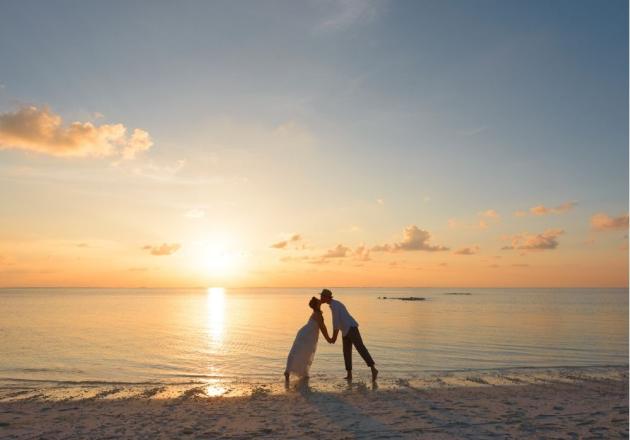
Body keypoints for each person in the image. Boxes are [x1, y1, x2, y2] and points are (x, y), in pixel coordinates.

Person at [320, 288, 378, 381]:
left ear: (326, 297)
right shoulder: (332, 305)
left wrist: (333, 338)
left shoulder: (335, 305)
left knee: (360, 348)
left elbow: (336, 323)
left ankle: (373, 369)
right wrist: (334, 337)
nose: (320, 298)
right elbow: (337, 323)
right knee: (346, 351)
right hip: (345, 330)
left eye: (322, 296)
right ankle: (349, 374)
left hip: (351, 328)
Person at [284, 296, 332, 380]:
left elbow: (322, 327)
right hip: (307, 335)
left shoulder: (317, 312)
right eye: (318, 300)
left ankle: (297, 373)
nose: (320, 300)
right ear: (317, 304)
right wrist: (329, 339)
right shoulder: (318, 314)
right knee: (300, 353)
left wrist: (328, 338)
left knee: (302, 353)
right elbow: (323, 327)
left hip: (306, 334)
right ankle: (289, 372)